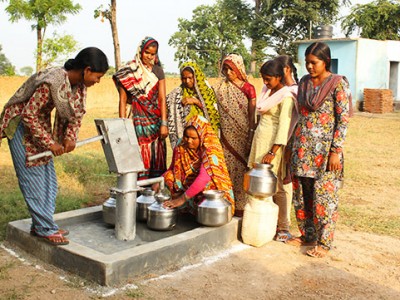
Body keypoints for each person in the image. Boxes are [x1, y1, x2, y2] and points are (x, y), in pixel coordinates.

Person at [0, 47, 109, 245]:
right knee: (32, 176)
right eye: (98, 76)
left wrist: (70, 138)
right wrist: (51, 143)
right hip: (18, 123)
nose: (98, 81)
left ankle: (41, 224)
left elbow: (77, 115)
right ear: (86, 69)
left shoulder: (80, 87)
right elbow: (28, 115)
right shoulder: (54, 81)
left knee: (47, 176)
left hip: (37, 123)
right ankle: (45, 227)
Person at [286, 42, 352, 258]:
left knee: (324, 197)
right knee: (303, 196)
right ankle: (307, 236)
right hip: (302, 150)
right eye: (307, 63)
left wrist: (336, 150)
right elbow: (300, 115)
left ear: (326, 61)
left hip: (325, 154)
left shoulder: (337, 84)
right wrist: (292, 146)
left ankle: (324, 243)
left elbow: (342, 120)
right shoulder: (304, 82)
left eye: (314, 63)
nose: (310, 67)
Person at [247, 59, 296, 242]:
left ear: (278, 77)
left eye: (268, 79)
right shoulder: (267, 92)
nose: (265, 83)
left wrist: (273, 152)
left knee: (276, 187)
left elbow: (283, 126)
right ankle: (264, 222)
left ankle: (283, 226)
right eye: (263, 79)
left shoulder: (287, 96)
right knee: (258, 185)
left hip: (272, 147)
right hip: (259, 142)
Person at [113, 36, 168, 180]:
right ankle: (136, 193)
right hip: (137, 121)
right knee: (138, 154)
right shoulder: (129, 71)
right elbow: (123, 100)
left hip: (155, 121)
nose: (149, 57)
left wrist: (164, 123)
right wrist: (122, 123)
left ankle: (154, 194)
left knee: (156, 156)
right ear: (140, 51)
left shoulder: (158, 71)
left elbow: (162, 98)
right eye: (147, 53)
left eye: (153, 54)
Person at [161, 115, 235, 215]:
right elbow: (172, 168)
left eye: (193, 138)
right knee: (168, 177)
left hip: (207, 188)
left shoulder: (210, 148)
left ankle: (202, 211)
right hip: (187, 187)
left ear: (202, 136)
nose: (189, 141)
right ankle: (184, 209)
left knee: (209, 187)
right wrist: (158, 181)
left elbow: (204, 178)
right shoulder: (181, 145)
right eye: (186, 136)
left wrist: (181, 200)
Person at [213, 54, 256, 217]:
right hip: (226, 136)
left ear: (239, 69)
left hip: (243, 134)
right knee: (227, 168)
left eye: (231, 68)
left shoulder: (248, 88)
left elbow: (252, 115)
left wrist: (251, 134)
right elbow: (208, 100)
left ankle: (241, 206)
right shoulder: (220, 88)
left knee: (242, 170)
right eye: (225, 68)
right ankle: (227, 202)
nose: (228, 72)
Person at [166, 61, 220, 148]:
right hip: (186, 139)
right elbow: (166, 106)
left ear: (196, 77)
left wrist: (196, 102)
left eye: (190, 78)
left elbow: (213, 114)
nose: (187, 81)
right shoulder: (177, 93)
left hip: (204, 137)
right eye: (184, 78)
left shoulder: (207, 92)